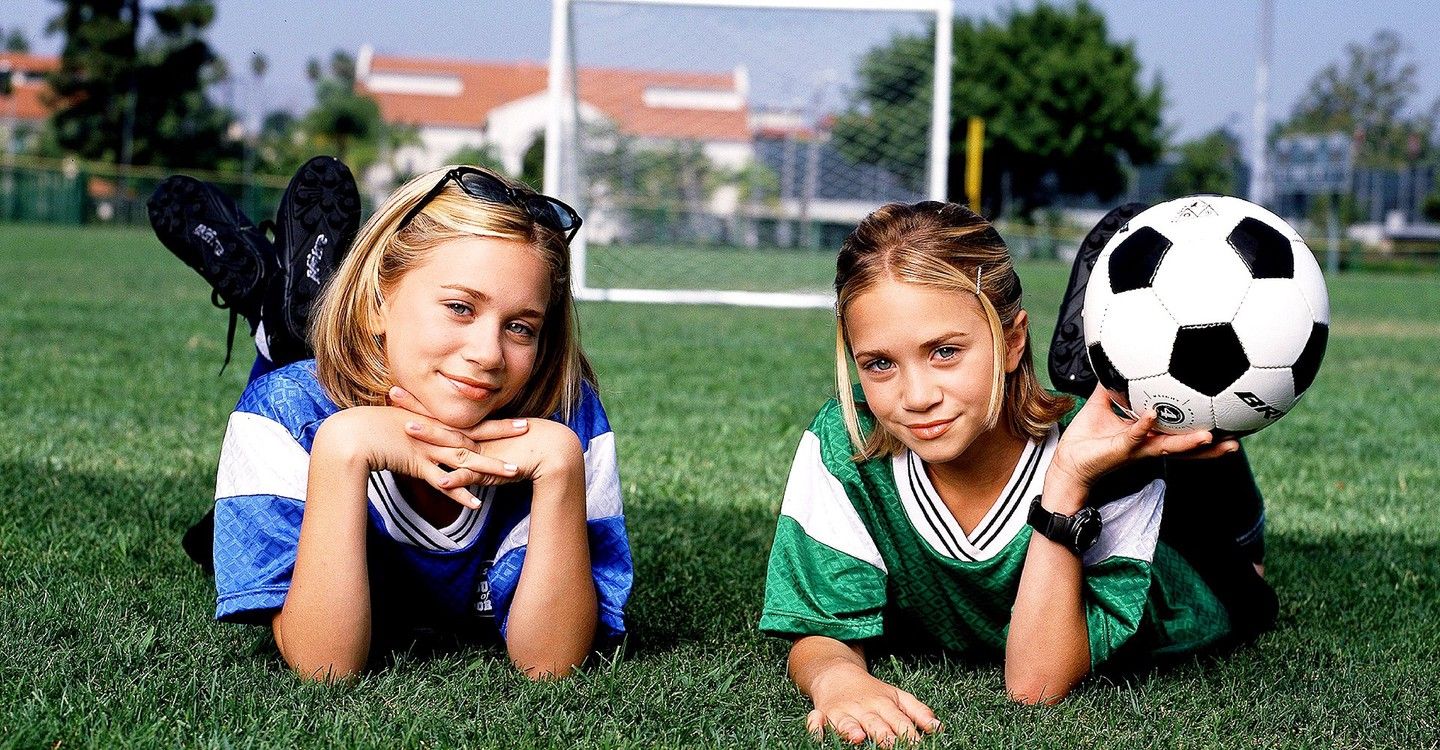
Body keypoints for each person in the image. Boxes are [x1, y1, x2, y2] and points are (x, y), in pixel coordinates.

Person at [760, 201, 1275, 746]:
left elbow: (1036, 685)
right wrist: (837, 679)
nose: (916, 397)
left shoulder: (1098, 458)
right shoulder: (847, 440)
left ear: (1011, 342)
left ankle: (1216, 456)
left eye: (945, 352)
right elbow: (819, 623)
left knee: (1241, 575)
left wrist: (1069, 479)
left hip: (1193, 580)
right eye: (880, 364)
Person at [201, 165, 631, 681]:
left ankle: (281, 319)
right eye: (459, 307)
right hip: (311, 418)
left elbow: (551, 665)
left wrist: (561, 468)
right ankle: (279, 330)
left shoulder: (566, 416)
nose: (487, 353)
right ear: (379, 300)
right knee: (245, 509)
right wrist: (343, 450)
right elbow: (324, 667)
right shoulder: (284, 414)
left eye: (520, 327)